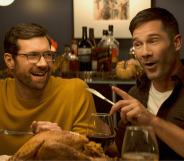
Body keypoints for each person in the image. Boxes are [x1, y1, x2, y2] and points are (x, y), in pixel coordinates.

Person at [0, 23, 96, 155]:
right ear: (10, 60)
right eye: (32, 55)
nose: (43, 63)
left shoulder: (75, 91)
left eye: (48, 54)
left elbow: (91, 153)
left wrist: (62, 139)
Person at [110, 7, 184, 160]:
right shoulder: (135, 93)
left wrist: (151, 121)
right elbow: (120, 150)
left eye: (153, 41)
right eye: (138, 44)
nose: (145, 52)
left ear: (176, 42)